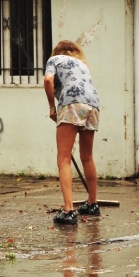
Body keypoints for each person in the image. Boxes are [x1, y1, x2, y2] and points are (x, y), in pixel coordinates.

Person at [44, 40, 101, 226]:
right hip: (93, 105)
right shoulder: (82, 64)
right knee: (87, 157)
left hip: (70, 104)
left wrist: (52, 107)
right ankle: (92, 204)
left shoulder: (54, 60)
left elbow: (48, 80)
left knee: (64, 158)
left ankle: (69, 211)